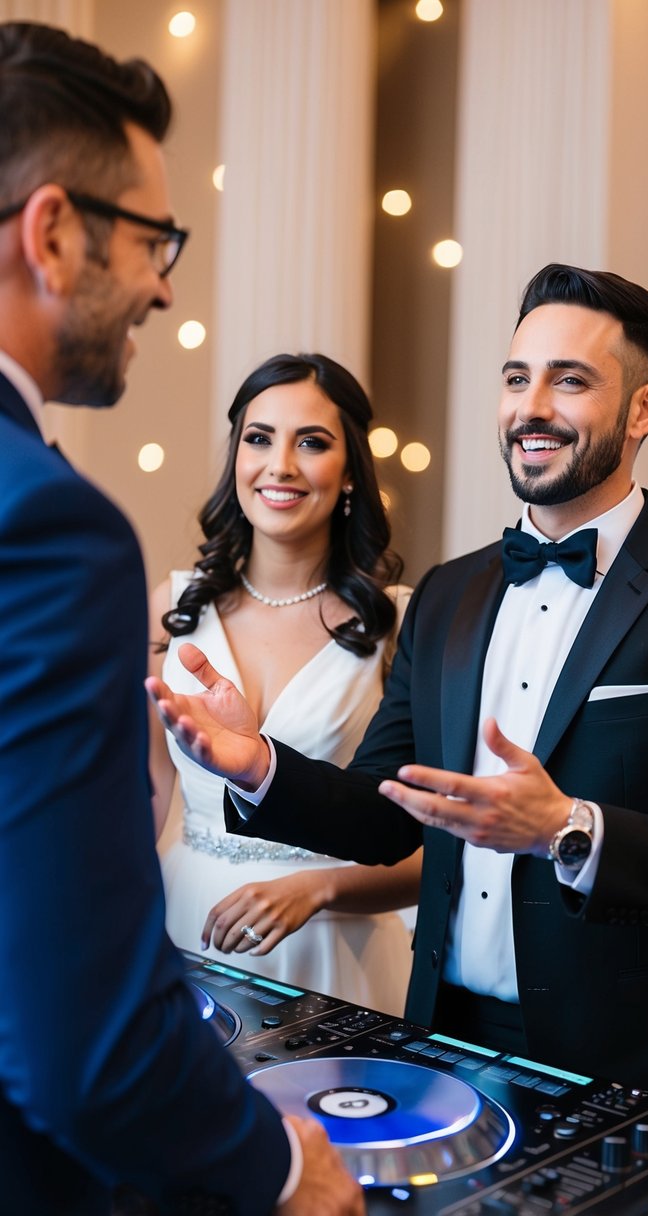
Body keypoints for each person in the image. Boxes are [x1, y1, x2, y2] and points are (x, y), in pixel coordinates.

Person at [148, 263, 648, 1122]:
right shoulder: (451, 596)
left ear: (643, 409)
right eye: (515, 378)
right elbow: (386, 811)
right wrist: (257, 764)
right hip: (441, 1046)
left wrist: (568, 829)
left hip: (631, 1064)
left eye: (569, 380)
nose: (531, 407)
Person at [0, 21, 362, 1216]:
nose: (163, 282)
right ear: (53, 231)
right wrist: (280, 1172)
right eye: (153, 238)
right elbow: (80, 1046)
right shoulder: (55, 530)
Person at [151, 352, 420, 1012]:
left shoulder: (398, 619)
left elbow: (433, 842)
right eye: (259, 438)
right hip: (186, 923)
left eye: (312, 443)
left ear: (351, 469)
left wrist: (318, 888)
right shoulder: (172, 604)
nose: (281, 465)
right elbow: (157, 794)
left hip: (335, 948)